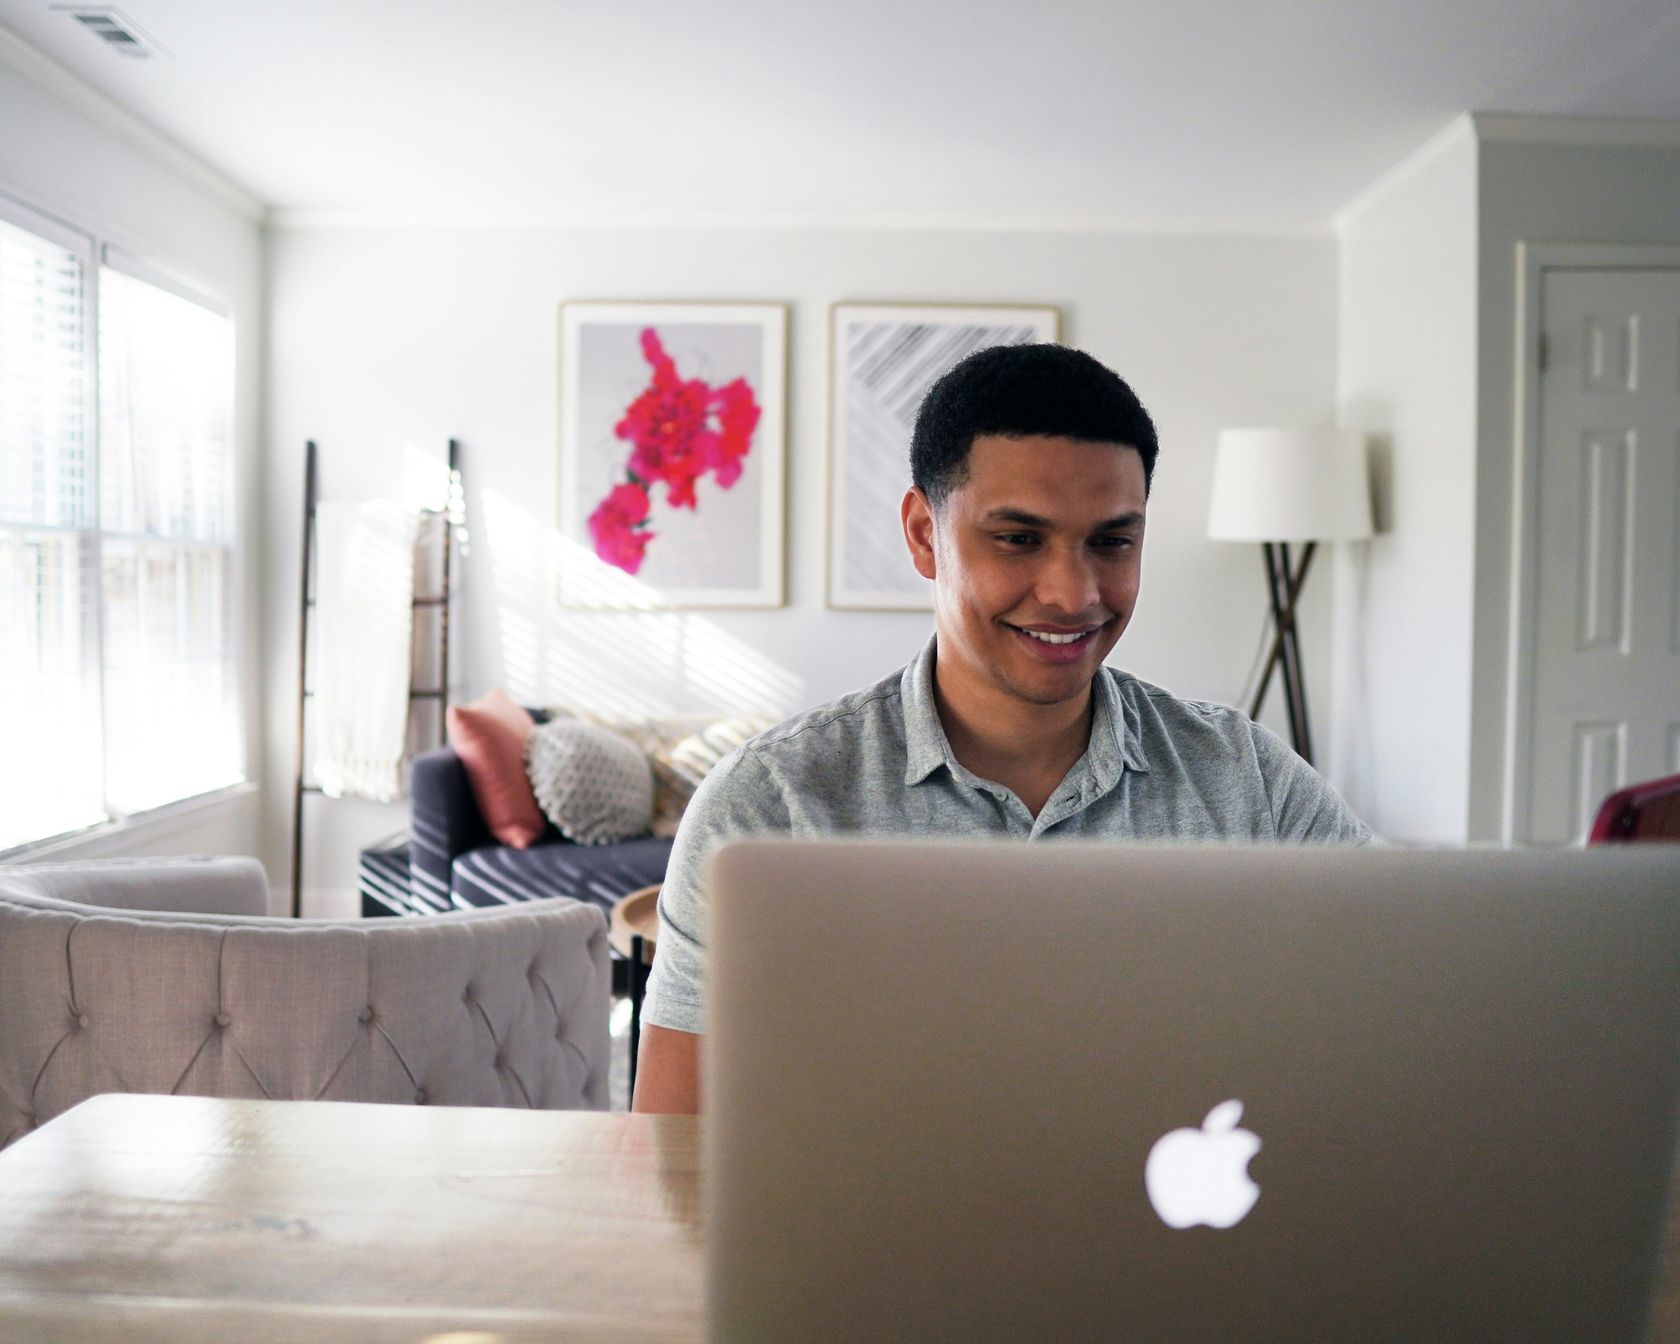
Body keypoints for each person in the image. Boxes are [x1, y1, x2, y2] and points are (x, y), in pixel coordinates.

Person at [633, 343, 1369, 1114]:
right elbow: (667, 1147)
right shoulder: (770, 804)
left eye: (1112, 542)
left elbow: (1394, 1018)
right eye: (1019, 539)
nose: (1073, 594)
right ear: (924, 534)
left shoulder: (1246, 781)